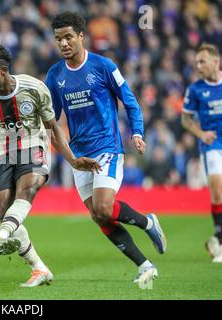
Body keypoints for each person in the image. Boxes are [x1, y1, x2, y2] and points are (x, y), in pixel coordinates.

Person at [45, 12, 167, 285]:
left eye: (67, 37)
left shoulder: (103, 66)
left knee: (103, 206)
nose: (63, 43)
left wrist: (137, 132)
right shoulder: (55, 75)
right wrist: (60, 150)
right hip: (79, 155)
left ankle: (147, 223)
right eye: (58, 39)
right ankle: (145, 265)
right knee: (99, 217)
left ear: (80, 36)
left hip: (107, 148)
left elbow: (131, 102)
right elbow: (51, 119)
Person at [0, 42, 101, 287]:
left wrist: (72, 159)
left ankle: (0, 236)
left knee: (27, 188)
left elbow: (54, 128)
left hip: (33, 144)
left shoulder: (34, 88)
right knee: (3, 208)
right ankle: (39, 269)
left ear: (1, 71)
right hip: (0, 150)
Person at [181, 43, 222, 263]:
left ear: (216, 62)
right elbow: (185, 119)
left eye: (202, 61)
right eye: (197, 62)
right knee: (217, 192)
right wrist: (201, 133)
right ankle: (221, 242)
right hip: (212, 144)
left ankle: (217, 237)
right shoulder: (196, 89)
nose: (198, 66)